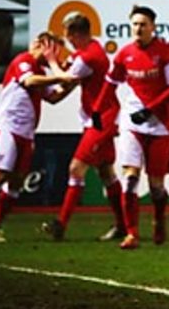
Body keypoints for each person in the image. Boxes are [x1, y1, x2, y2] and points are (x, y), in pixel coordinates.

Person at [90, 5, 169, 250]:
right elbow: (110, 84)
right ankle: (131, 233)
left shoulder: (165, 52)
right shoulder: (124, 54)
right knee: (130, 178)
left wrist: (151, 109)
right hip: (132, 122)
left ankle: (159, 218)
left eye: (143, 24)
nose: (138, 28)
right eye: (134, 24)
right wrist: (97, 111)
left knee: (156, 186)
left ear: (153, 27)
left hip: (160, 124)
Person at [0, 32, 76, 242]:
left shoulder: (42, 71)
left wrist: (73, 84)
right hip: (7, 127)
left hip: (26, 133)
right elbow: (29, 82)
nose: (48, 52)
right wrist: (61, 76)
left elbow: (53, 97)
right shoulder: (23, 61)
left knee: (17, 183)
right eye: (45, 46)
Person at [40, 12, 128, 242]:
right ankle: (123, 225)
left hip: (102, 119)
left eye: (68, 35)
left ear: (77, 34)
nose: (67, 40)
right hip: (98, 116)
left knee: (75, 169)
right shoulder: (89, 50)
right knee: (106, 172)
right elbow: (69, 78)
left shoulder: (89, 57)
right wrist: (51, 93)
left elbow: (65, 78)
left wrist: (50, 60)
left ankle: (60, 225)